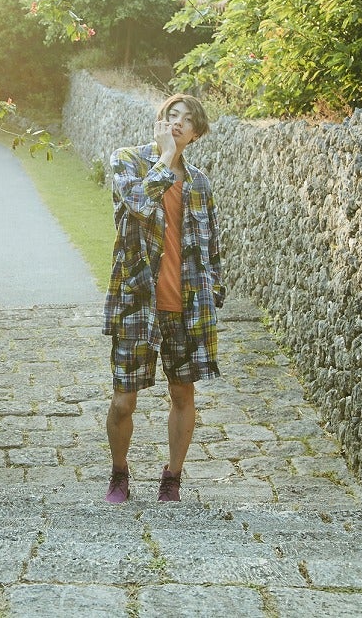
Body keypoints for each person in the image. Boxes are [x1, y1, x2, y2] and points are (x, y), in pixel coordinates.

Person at [102, 93, 224, 502]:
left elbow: (211, 244)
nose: (177, 123)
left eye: (186, 120)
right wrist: (165, 160)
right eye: (171, 115)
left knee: (183, 394)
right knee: (123, 400)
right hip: (137, 301)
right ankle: (119, 474)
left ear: (196, 133)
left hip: (186, 306)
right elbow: (136, 205)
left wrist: (214, 290)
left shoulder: (199, 183)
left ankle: (172, 478)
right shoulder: (127, 162)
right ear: (160, 120)